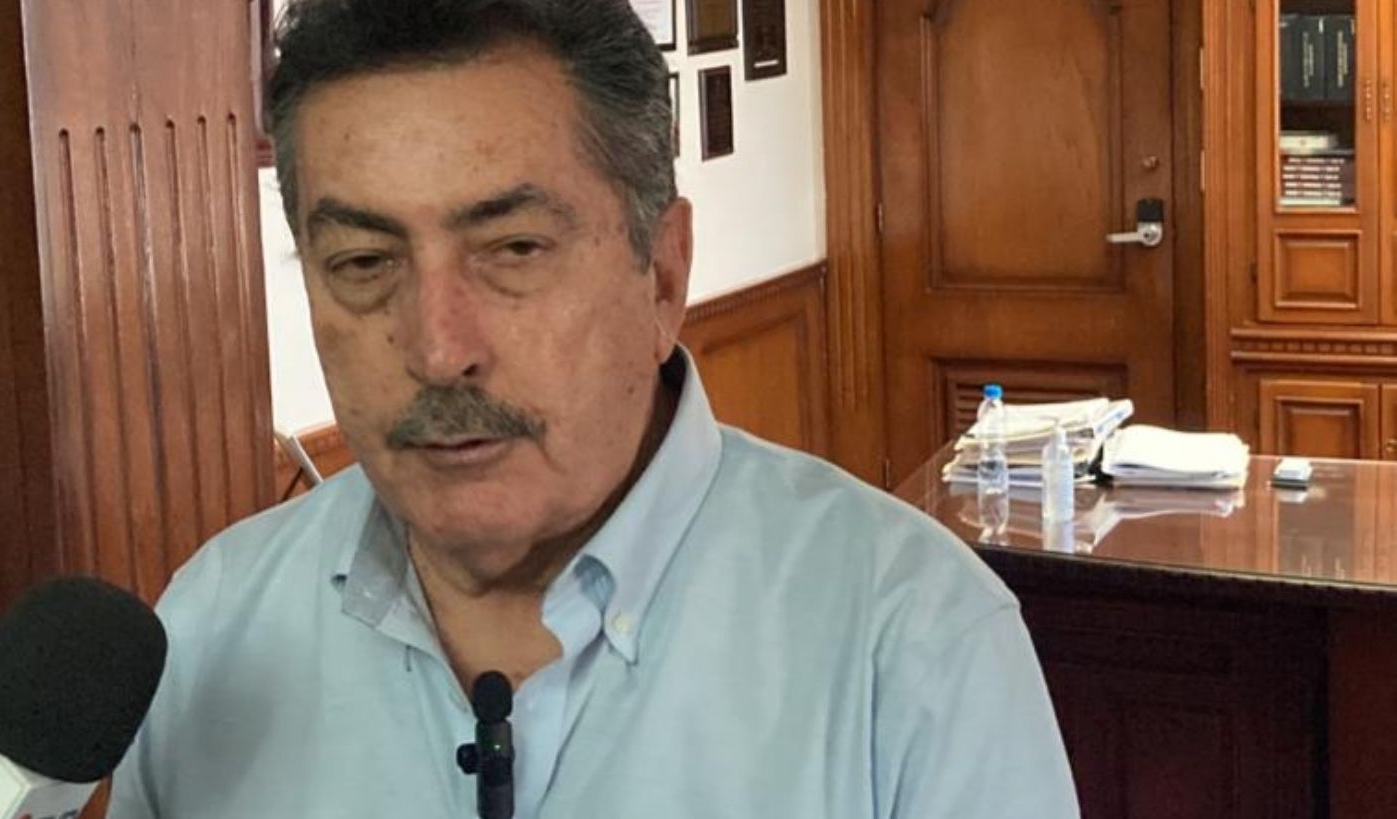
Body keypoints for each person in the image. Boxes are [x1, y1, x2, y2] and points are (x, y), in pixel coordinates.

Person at [107, 0, 1080, 816]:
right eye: (364, 263)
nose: (439, 348)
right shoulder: (214, 626)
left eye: (514, 250)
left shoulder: (910, 642)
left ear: (662, 275)